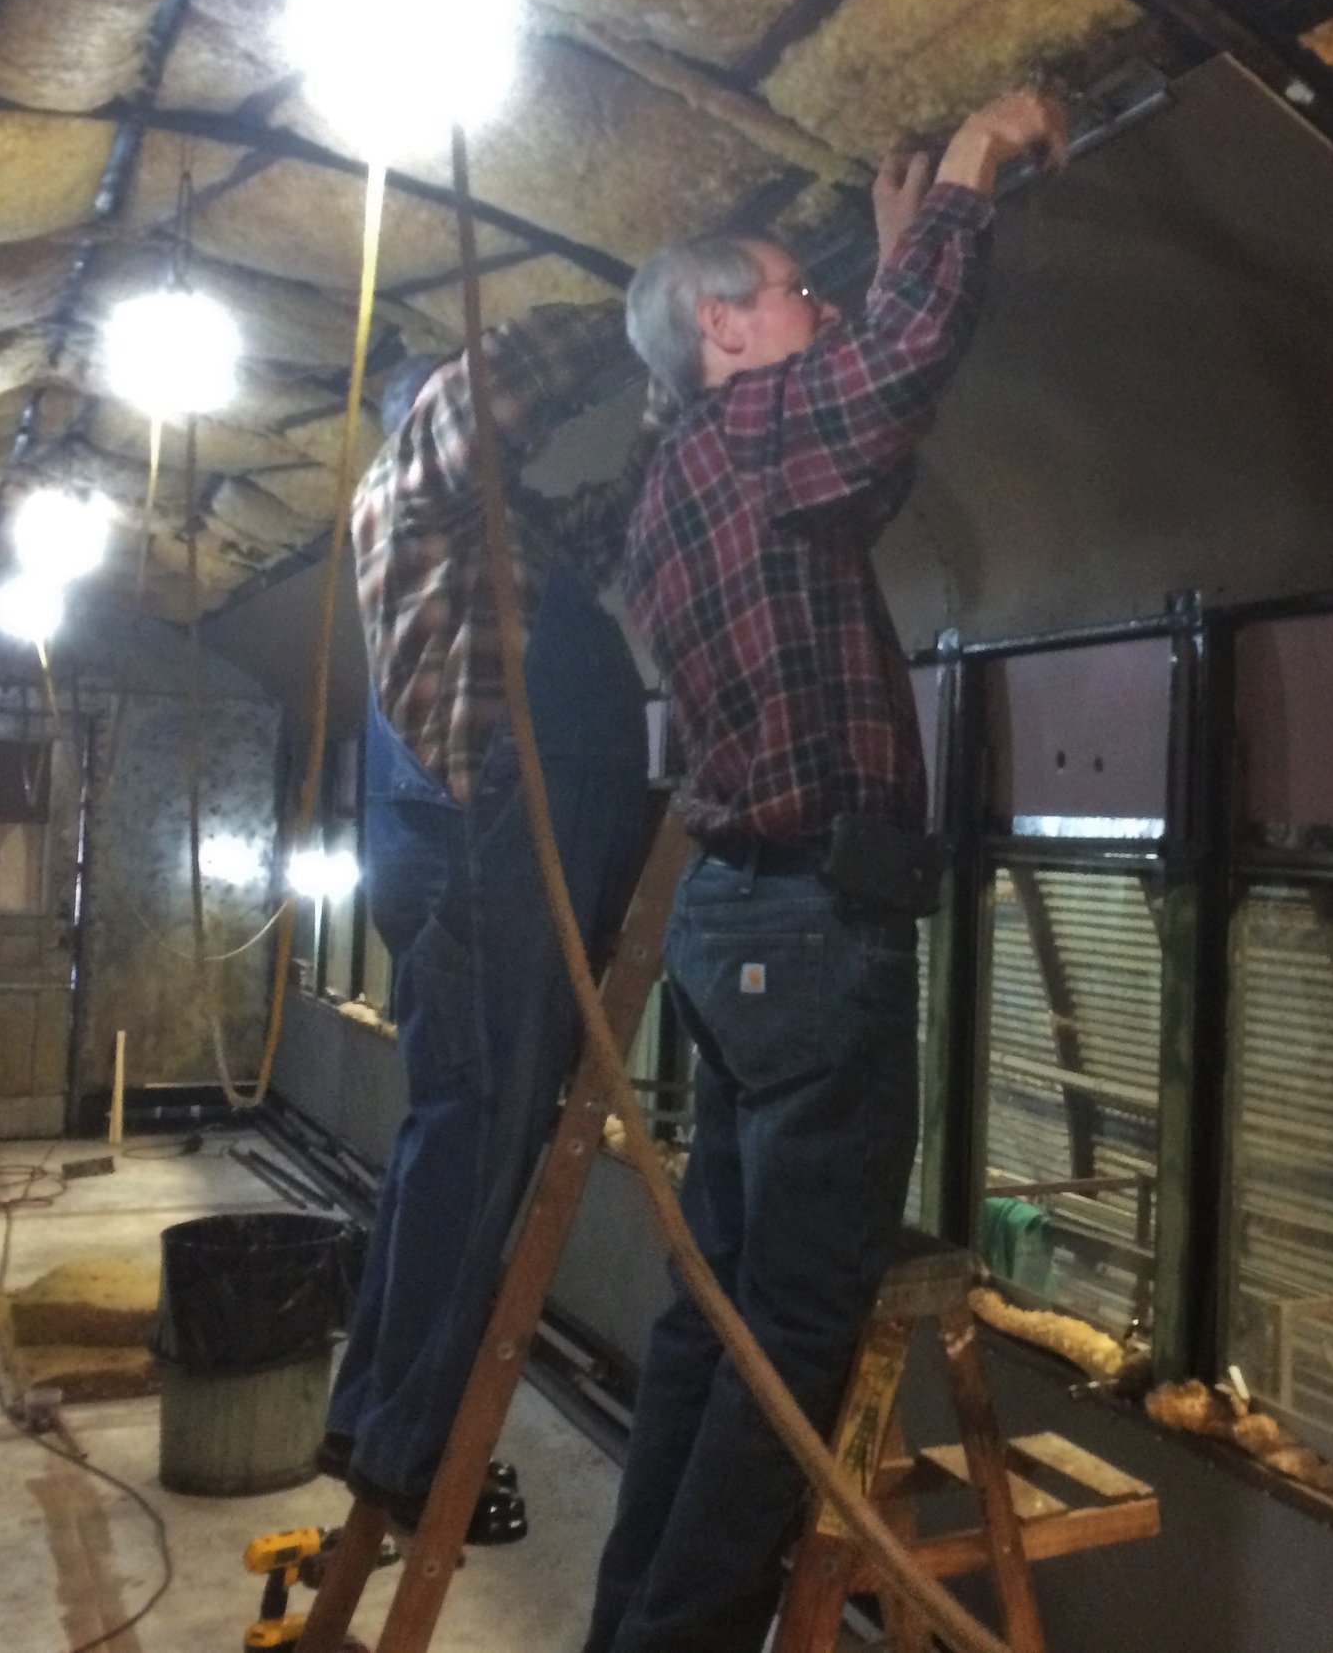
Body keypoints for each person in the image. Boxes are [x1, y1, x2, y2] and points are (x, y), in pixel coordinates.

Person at [586, 87, 1068, 1653]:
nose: (825, 305)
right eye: (798, 289)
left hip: (744, 928)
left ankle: (632, 1620)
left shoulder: (682, 479)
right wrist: (972, 177)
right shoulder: (749, 432)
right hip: (816, 923)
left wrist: (889, 246)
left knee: (714, 1308)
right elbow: (886, 377)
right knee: (793, 1321)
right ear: (724, 325)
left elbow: (859, 458)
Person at [319, 309, 657, 1538]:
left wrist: (670, 404)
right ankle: (410, 1441)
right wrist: (650, 313)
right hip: (485, 847)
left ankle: (378, 1414)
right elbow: (498, 389)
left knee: (460, 1137)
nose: (507, 449)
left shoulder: (494, 535)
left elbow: (604, 529)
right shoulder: (408, 485)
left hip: (499, 844)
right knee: (476, 1143)